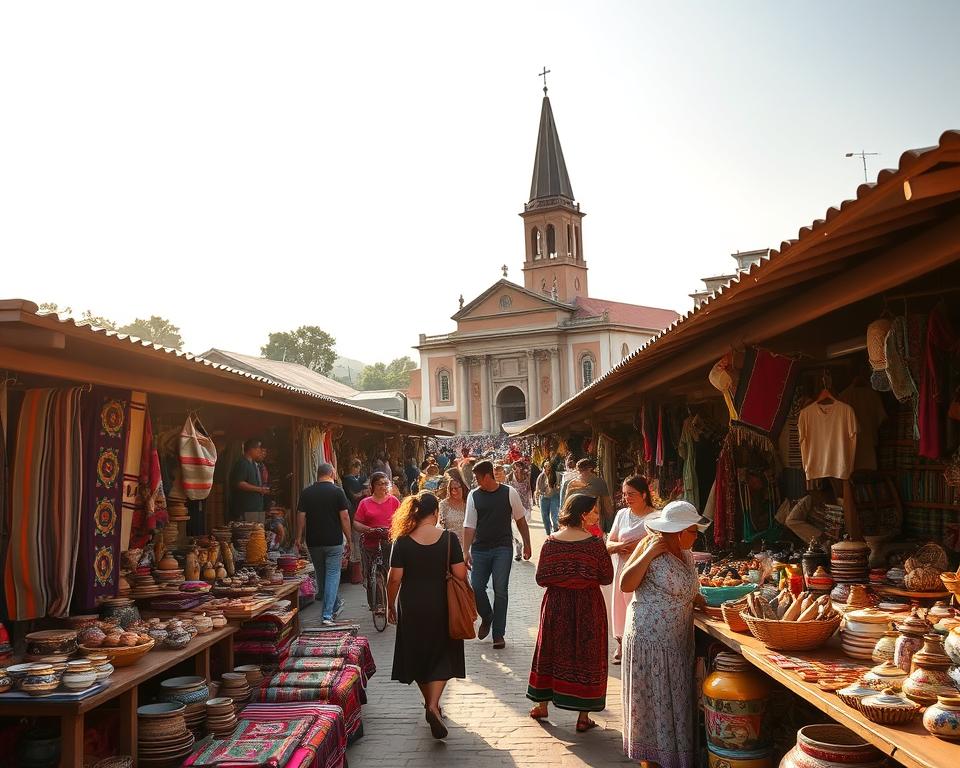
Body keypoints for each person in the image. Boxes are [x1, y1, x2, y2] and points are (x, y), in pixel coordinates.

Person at [619, 500, 709, 768]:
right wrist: (648, 555)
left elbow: (687, 589)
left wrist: (699, 600)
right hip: (650, 641)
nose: (696, 536)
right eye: (693, 531)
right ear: (679, 531)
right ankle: (653, 760)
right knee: (653, 701)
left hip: (677, 641)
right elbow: (626, 583)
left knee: (674, 699)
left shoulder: (687, 554)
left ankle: (674, 757)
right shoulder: (649, 545)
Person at [528, 494, 613, 731]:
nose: (597, 516)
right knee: (588, 654)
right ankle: (583, 717)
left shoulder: (551, 543)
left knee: (550, 651)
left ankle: (542, 705)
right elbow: (607, 577)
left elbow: (541, 578)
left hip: (557, 605)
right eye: (594, 511)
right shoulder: (595, 544)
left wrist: (563, 578)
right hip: (588, 605)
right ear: (583, 515)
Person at [386, 492, 467, 740]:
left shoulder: (402, 541)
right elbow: (460, 574)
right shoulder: (449, 539)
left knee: (418, 654)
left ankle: (431, 705)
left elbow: (394, 578)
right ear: (435, 513)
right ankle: (433, 705)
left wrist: (390, 605)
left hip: (412, 606)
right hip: (443, 604)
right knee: (443, 652)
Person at [463, 460, 531, 650]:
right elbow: (469, 525)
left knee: (500, 590)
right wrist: (465, 551)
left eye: (478, 477)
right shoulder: (474, 495)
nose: (476, 481)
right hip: (480, 549)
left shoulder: (509, 492)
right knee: (477, 586)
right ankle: (487, 616)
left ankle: (498, 633)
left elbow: (520, 520)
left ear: (487, 476)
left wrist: (527, 543)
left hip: (503, 548)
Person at [606, 475, 657, 664]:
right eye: (625, 494)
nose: (627, 498)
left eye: (631, 494)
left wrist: (639, 546)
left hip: (644, 570)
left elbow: (657, 542)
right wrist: (620, 547)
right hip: (622, 568)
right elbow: (609, 542)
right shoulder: (621, 515)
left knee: (638, 606)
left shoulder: (656, 517)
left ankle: (638, 644)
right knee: (620, 606)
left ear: (644, 494)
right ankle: (621, 643)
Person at [295, 463, 351, 626]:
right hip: (333, 541)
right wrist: (349, 539)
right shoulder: (338, 492)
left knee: (322, 575)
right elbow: (345, 517)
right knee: (332, 575)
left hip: (314, 541)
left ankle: (335, 604)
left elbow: (300, 516)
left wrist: (298, 537)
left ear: (317, 474)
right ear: (332, 473)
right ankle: (327, 615)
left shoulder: (307, 492)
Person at [353, 472, 401, 608]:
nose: (383, 486)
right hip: (370, 542)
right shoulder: (365, 503)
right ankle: (376, 604)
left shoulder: (394, 501)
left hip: (389, 542)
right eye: (379, 484)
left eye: (385, 483)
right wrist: (368, 529)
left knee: (389, 572)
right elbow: (356, 523)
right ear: (373, 486)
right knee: (371, 574)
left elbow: (401, 520)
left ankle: (390, 601)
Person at [560, 458, 614, 534]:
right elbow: (607, 506)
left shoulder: (571, 483)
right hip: (589, 521)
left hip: (579, 522)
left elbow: (564, 505)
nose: (581, 473)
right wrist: (610, 526)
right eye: (580, 471)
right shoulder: (599, 482)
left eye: (582, 470)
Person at [229, 437, 269, 522]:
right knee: (250, 530)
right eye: (258, 448)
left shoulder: (254, 464)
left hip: (257, 507)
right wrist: (259, 489)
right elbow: (240, 483)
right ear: (251, 449)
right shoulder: (242, 463)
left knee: (259, 530)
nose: (260, 451)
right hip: (247, 509)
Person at [507, 461, 533, 561]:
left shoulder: (526, 476)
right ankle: (518, 547)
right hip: (513, 506)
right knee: (514, 528)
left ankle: (525, 544)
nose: (517, 469)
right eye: (515, 467)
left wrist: (530, 504)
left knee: (522, 527)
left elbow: (529, 490)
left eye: (518, 467)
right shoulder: (509, 477)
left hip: (524, 505)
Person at [438, 468, 469, 541]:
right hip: (451, 543)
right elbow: (440, 526)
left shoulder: (469, 502)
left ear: (463, 487)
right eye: (451, 489)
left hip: (469, 542)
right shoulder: (443, 505)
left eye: (456, 488)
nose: (454, 491)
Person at [534, 460, 561, 535]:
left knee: (554, 516)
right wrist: (537, 496)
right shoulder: (541, 476)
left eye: (549, 466)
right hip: (544, 497)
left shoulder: (557, 475)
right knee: (545, 516)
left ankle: (555, 531)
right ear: (544, 467)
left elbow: (560, 486)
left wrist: (557, 487)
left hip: (554, 496)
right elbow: (537, 489)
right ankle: (548, 533)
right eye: (546, 466)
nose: (548, 468)